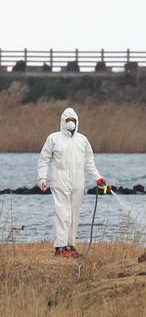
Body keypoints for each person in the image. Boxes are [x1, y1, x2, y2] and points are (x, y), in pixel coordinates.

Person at [37, 107, 109, 258]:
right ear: (63, 122)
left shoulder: (82, 140)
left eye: (73, 120)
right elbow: (44, 159)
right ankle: (59, 247)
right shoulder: (53, 138)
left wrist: (97, 178)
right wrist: (42, 177)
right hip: (60, 179)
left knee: (74, 214)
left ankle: (70, 245)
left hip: (78, 180)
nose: (71, 123)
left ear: (77, 122)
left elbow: (89, 162)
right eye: (68, 120)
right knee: (62, 213)